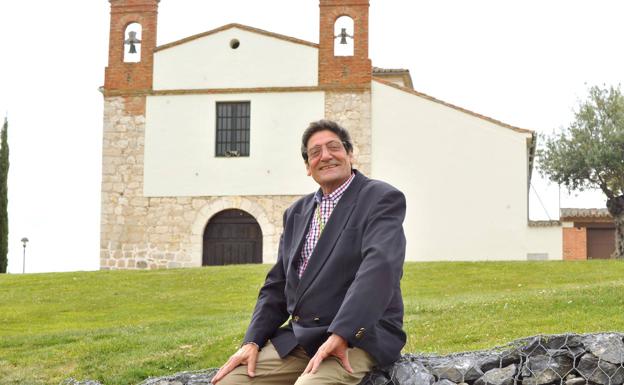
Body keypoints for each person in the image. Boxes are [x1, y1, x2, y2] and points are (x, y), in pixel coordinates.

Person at [212, 119, 407, 385]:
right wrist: (252, 341)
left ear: (350, 154)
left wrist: (342, 334)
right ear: (307, 166)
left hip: (359, 337)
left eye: (334, 147)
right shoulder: (296, 213)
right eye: (315, 153)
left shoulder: (381, 198)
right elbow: (277, 285)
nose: (325, 156)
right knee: (229, 382)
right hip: (303, 338)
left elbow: (379, 269)